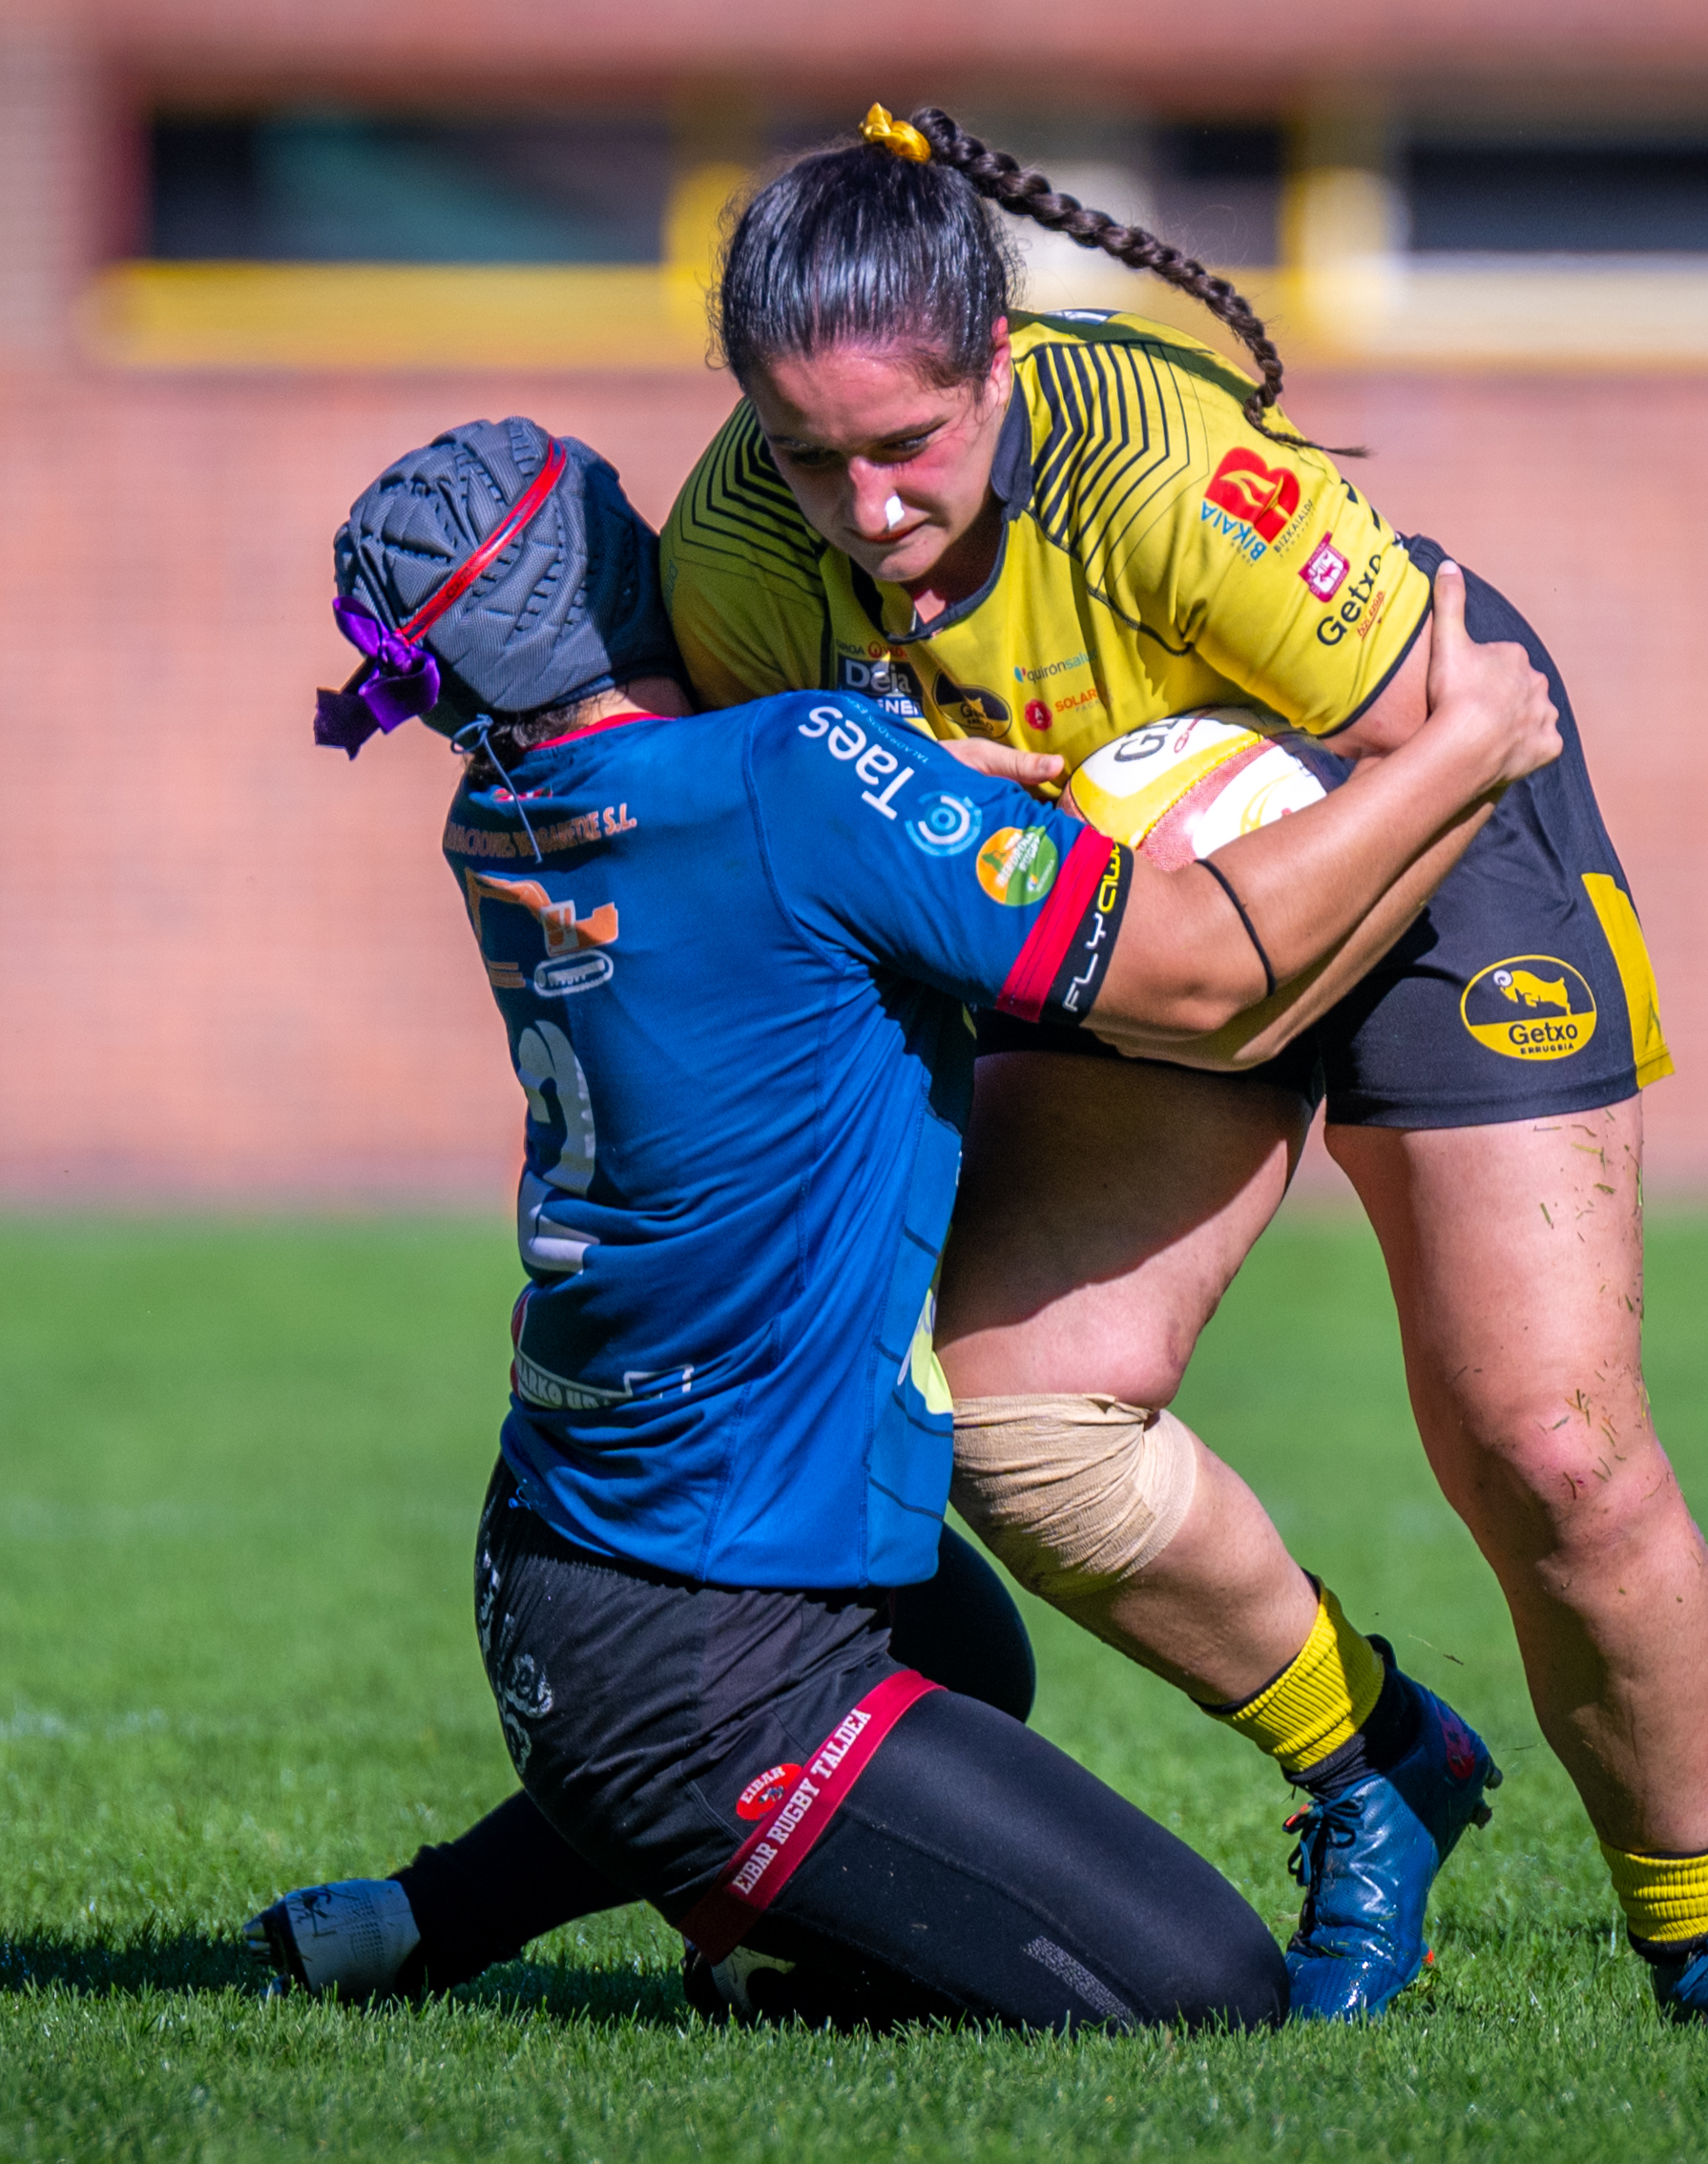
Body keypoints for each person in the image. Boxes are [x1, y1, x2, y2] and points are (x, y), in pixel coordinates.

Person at [651, 105, 1708, 2030]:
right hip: (1146, 922)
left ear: (1002, 370)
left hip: (1432, 811)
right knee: (1016, 1416)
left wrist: (1202, 917)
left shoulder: (1161, 468)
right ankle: (1377, 1764)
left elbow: (1445, 729)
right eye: (807, 458)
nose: (861, 510)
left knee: (1542, 1439)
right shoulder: (734, 562)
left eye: (907, 447)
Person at [248, 413, 1559, 2030]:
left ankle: (426, 1921)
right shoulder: (794, 777)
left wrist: (902, 781)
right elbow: (1198, 972)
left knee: (967, 1665)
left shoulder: (506, 815)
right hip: (701, 1669)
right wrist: (1460, 751)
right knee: (1207, 1995)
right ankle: (768, 1958)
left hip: (578, 1566)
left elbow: (767, 894)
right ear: (619, 579)